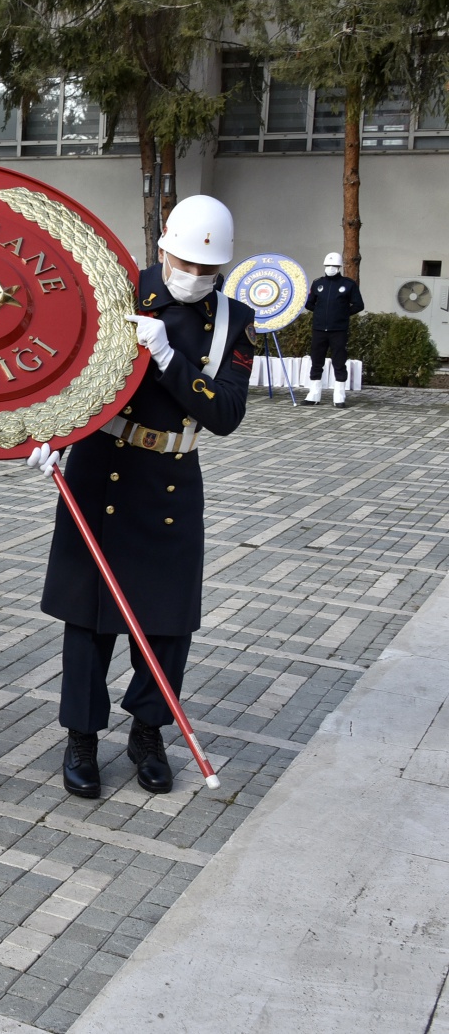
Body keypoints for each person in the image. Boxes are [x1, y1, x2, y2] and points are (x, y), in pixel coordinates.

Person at [32, 194, 254, 802]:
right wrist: (44, 433)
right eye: (185, 263)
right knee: (89, 616)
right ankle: (81, 736)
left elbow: (226, 413)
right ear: (162, 248)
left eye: (208, 272)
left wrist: (168, 357)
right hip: (101, 467)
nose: (194, 278)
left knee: (167, 620)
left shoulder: (235, 319)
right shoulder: (116, 290)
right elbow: (58, 364)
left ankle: (149, 733)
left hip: (173, 476)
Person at [304, 251, 364, 406]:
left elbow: (359, 305)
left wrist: (343, 314)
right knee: (316, 360)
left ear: (339, 267)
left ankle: (339, 395)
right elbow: (309, 303)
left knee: (339, 360)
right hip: (319, 329)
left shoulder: (348, 284)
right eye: (328, 265)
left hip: (338, 330)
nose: (330, 268)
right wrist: (319, 312)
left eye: (334, 266)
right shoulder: (318, 283)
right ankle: (314, 394)